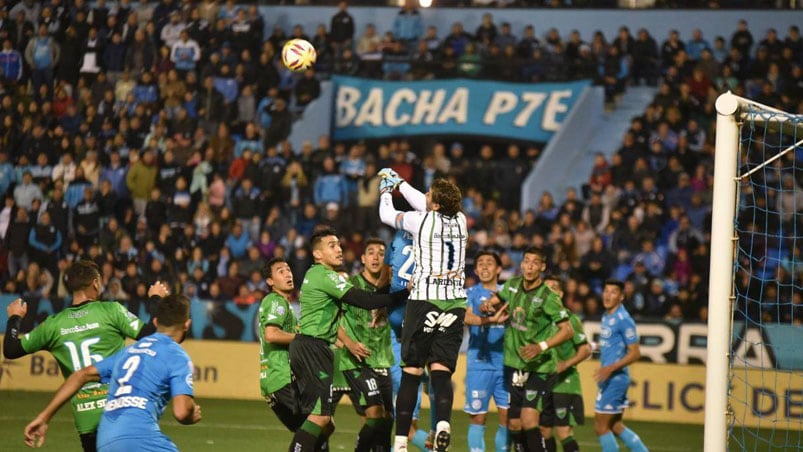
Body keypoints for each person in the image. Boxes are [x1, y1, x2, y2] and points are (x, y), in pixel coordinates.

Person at [4, 260, 167, 452]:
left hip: (87, 426)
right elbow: (152, 336)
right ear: (96, 283)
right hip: (121, 416)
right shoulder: (112, 311)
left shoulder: (53, 325)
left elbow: (11, 350)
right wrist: (156, 299)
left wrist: (15, 318)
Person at [23, 294, 200, 451]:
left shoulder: (129, 351)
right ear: (187, 324)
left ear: (155, 322)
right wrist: (192, 412)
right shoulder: (177, 356)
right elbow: (181, 412)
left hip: (105, 440)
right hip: (140, 438)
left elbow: (80, 375)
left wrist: (44, 417)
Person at [287, 227, 408, 452]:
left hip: (315, 347)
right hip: (312, 347)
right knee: (321, 419)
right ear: (317, 254)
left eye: (339, 245)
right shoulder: (324, 276)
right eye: (332, 246)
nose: (339, 249)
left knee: (324, 420)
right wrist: (406, 292)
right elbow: (366, 300)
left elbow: (368, 297)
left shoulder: (322, 276)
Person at [378, 170, 467, 452]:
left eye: (429, 195)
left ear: (436, 205)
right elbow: (422, 201)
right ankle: (442, 424)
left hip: (424, 300)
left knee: (412, 372)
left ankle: (401, 442)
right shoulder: (462, 221)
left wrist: (386, 190)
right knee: (441, 373)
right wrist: (401, 183)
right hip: (454, 303)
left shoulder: (421, 221)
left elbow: (387, 216)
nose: (425, 196)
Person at [484, 247, 573, 452]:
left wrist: (541, 346)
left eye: (535, 262)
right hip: (514, 364)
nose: (530, 266)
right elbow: (497, 299)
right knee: (514, 424)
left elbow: (566, 330)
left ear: (542, 267)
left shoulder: (548, 296)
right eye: (526, 261)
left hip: (539, 367)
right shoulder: (513, 285)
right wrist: (488, 305)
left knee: (529, 419)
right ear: (522, 264)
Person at [338, 238, 394, 451]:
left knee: (387, 417)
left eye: (381, 253)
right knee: (374, 413)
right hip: (358, 361)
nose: (376, 257)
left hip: (383, 358)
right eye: (371, 252)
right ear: (362, 258)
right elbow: (332, 322)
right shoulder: (350, 286)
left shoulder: (392, 288)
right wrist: (350, 344)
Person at [386, 228, 433, 451]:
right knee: (400, 423)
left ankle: (436, 448)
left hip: (406, 340)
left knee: (406, 425)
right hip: (398, 339)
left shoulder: (399, 238)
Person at [463, 250, 510, 452]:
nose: (484, 266)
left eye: (489, 263)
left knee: (508, 419)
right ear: (475, 269)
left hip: (507, 365)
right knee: (478, 417)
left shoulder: (508, 293)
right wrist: (489, 318)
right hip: (479, 364)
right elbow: (465, 317)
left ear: (499, 269)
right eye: (480, 263)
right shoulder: (470, 293)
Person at [594, 280, 648, 452]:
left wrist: (610, 368)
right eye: (606, 291)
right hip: (609, 378)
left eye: (613, 292)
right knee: (615, 425)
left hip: (615, 378)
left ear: (621, 297)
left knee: (601, 426)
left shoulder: (624, 320)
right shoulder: (606, 315)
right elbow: (611, 344)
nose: (608, 295)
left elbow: (635, 353)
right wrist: (594, 347)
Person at [540, 275, 592, 452]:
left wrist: (565, 364)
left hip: (565, 384)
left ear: (560, 294)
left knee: (563, 431)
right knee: (544, 431)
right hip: (544, 383)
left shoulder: (570, 319)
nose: (549, 292)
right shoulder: (539, 320)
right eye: (545, 289)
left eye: (553, 288)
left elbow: (585, 350)